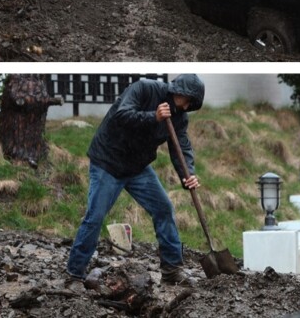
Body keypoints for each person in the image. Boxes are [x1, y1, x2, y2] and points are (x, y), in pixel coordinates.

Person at [66, 74, 206, 287]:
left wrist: (189, 175)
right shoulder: (144, 89)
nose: (187, 106)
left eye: (192, 103)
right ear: (178, 90)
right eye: (187, 99)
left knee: (164, 209)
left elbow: (181, 148)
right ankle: (75, 274)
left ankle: (171, 270)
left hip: (137, 168)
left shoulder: (180, 116)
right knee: (95, 216)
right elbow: (122, 115)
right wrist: (154, 116)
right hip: (108, 161)